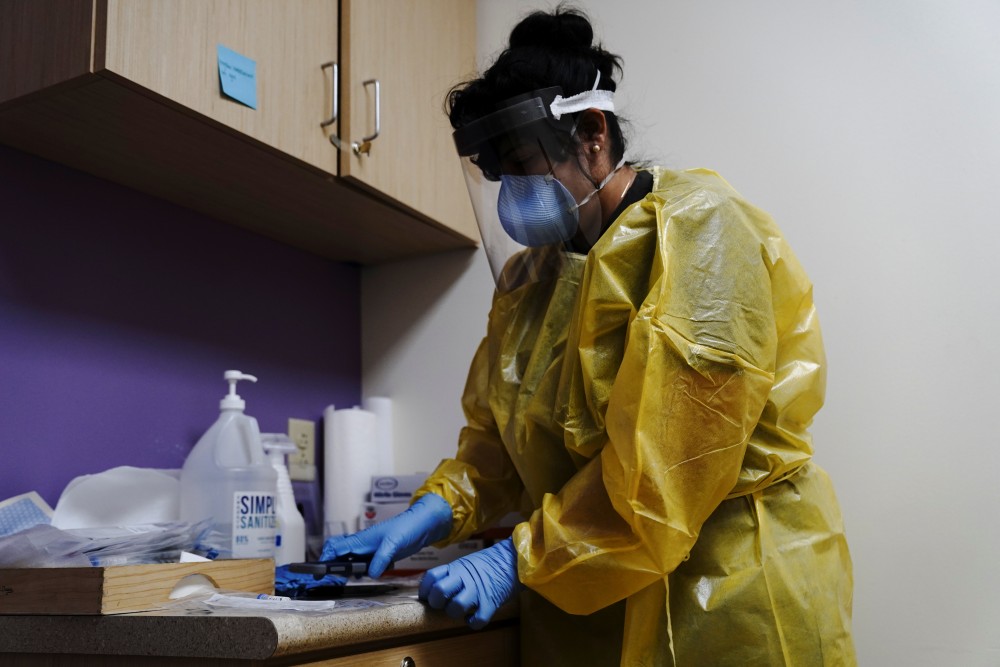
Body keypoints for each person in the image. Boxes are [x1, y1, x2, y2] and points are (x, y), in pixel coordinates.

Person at [322, 7, 856, 666]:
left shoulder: (699, 234)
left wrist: (516, 558)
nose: (513, 194)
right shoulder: (530, 281)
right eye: (501, 178)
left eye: (523, 164)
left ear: (592, 133)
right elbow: (498, 438)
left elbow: (669, 474)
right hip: (586, 608)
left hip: (727, 602)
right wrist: (438, 506)